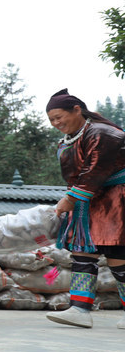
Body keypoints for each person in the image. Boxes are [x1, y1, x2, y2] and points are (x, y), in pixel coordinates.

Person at [44, 89, 125, 329]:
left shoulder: (104, 133)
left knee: (118, 255)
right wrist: (72, 197)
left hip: (115, 200)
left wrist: (71, 198)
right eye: (52, 120)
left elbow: (95, 171)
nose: (57, 123)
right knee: (82, 253)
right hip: (89, 202)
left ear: (77, 110)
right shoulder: (69, 139)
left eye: (59, 117)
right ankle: (79, 309)